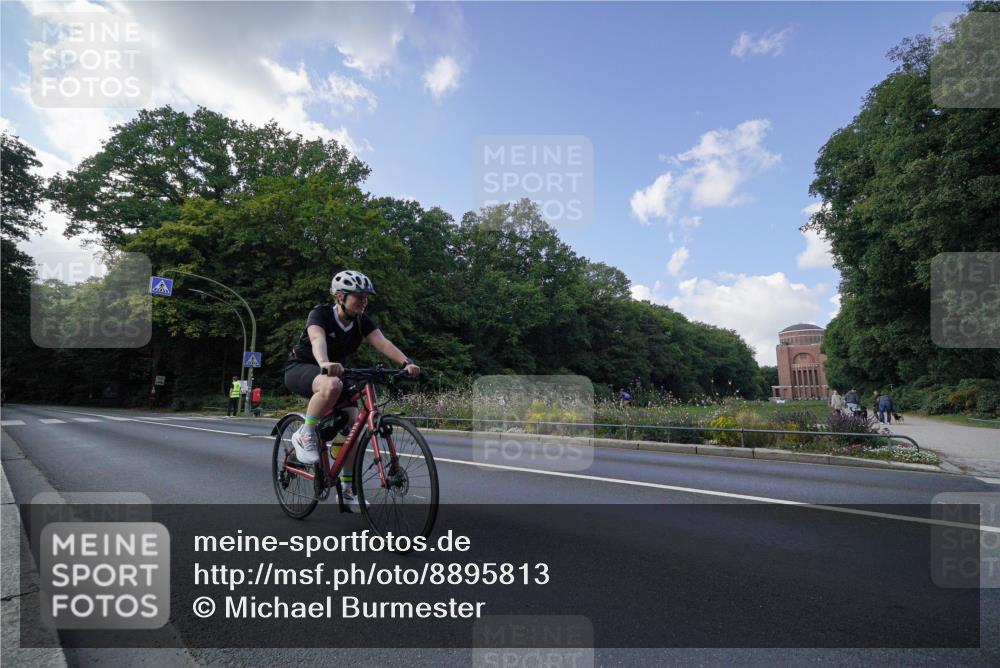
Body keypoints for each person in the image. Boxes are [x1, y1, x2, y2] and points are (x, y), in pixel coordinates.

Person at [284, 270, 420, 511]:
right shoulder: (320, 313)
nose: (363, 302)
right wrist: (324, 363)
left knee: (354, 423)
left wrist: (405, 362)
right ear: (340, 296)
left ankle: (348, 491)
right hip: (304, 367)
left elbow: (382, 342)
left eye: (366, 297)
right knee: (332, 384)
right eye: (358, 297)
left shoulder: (361, 321)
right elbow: (317, 340)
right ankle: (305, 433)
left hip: (337, 371)